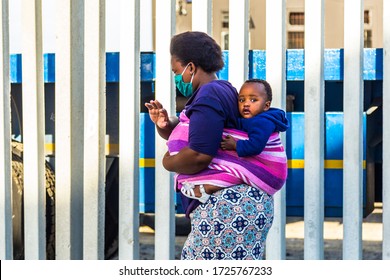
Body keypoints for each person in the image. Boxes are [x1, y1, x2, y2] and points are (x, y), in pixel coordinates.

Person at [145, 31, 286, 260]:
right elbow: (206, 134)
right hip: (239, 206)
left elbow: (200, 154)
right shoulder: (223, 89)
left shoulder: (208, 97)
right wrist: (165, 125)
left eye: (176, 71)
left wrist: (167, 162)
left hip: (226, 209)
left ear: (190, 67)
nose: (176, 77)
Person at [179, 79, 289, 203]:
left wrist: (235, 144)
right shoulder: (253, 118)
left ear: (266, 105)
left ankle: (205, 189)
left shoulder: (263, 122)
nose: (246, 104)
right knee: (234, 173)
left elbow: (256, 146)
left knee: (234, 174)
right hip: (274, 176)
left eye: (253, 100)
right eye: (242, 100)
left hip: (272, 173)